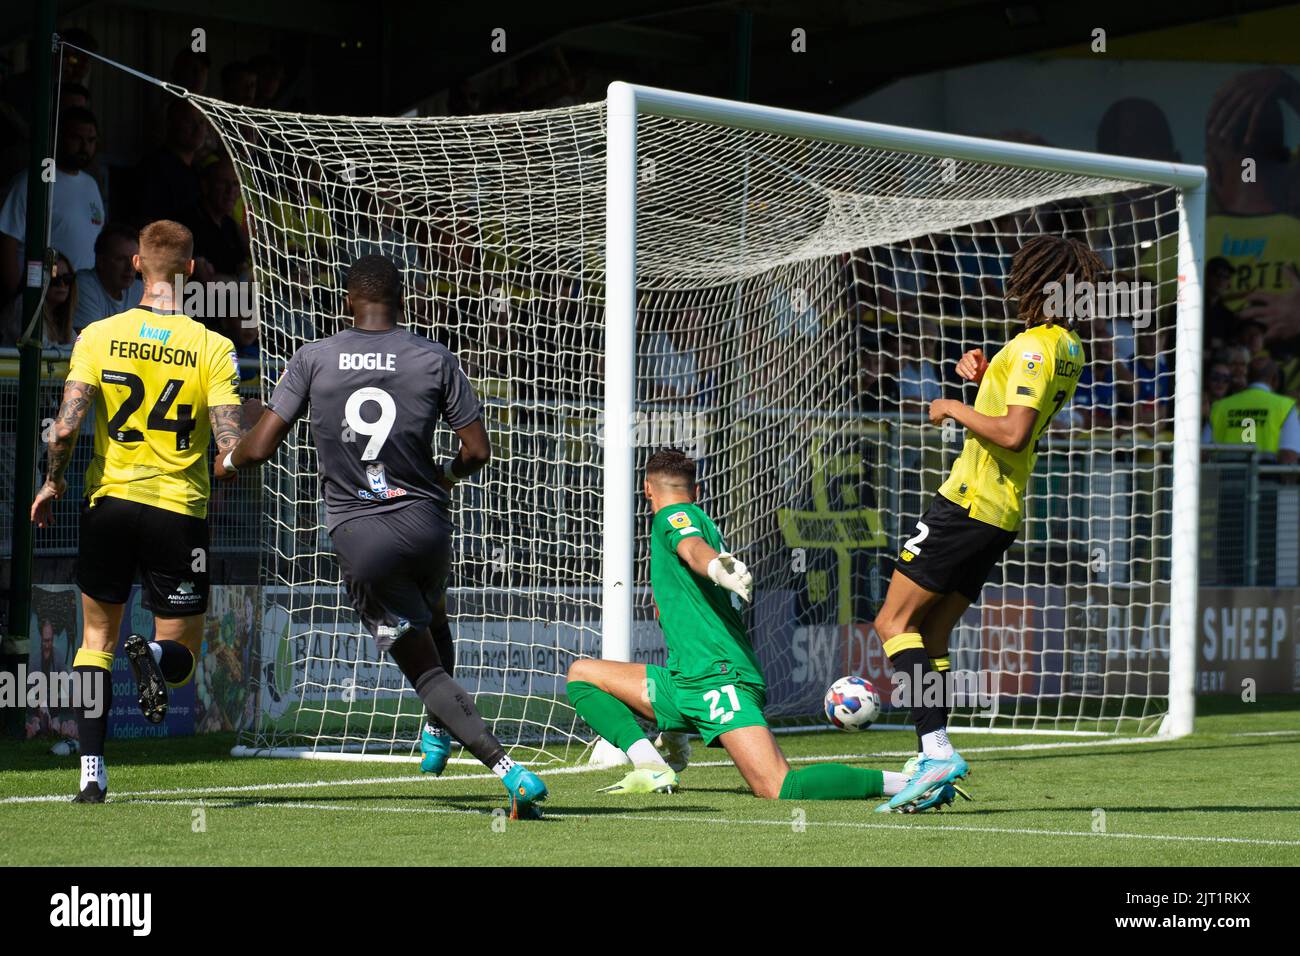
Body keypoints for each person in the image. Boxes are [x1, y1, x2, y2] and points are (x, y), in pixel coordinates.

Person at [219, 255, 549, 819]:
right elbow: (477, 451)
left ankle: (508, 770)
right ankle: (436, 729)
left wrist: (227, 459)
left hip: (362, 534)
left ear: (349, 300)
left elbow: (263, 445)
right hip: (427, 525)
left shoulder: (314, 358)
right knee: (435, 618)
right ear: (404, 302)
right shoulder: (433, 358)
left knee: (422, 668)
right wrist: (443, 476)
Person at [563, 449, 952, 808]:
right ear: (697, 489)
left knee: (780, 787)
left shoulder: (672, 517)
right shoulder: (698, 519)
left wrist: (715, 566)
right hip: (685, 682)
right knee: (583, 676)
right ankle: (650, 762)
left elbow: (693, 548)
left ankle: (912, 782)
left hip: (719, 680)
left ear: (646, 488)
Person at [28, 220, 252, 803]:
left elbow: (67, 426)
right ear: (194, 269)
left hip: (108, 504)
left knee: (93, 641)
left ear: (135, 267)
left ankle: (92, 775)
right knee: (179, 660)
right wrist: (230, 457)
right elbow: (230, 447)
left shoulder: (98, 334)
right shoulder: (213, 347)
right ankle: (150, 653)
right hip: (178, 511)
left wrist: (52, 484)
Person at [869, 234, 1092, 812]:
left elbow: (1014, 432)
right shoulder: (1066, 347)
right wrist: (986, 373)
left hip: (967, 502)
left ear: (1035, 283)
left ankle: (936, 749)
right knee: (933, 635)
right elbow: (1021, 404)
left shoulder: (1033, 349)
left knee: (892, 622)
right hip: (1002, 513)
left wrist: (952, 406)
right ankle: (933, 758)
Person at [0, 106, 104, 303]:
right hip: (40, 299)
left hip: (80, 300)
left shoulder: (91, 184)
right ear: (59, 138)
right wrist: (18, 298)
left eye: (90, 140)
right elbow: (7, 241)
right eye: (76, 138)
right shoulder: (34, 181)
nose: (84, 147)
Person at [1205, 355, 1300, 465]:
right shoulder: (1285, 406)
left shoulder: (1219, 407)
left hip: (1222, 478)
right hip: (1266, 478)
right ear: (1275, 379)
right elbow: (1289, 455)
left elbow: (1202, 452)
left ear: (1248, 378)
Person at [1, 250, 77, 352]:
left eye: (67, 279)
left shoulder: (60, 317)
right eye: (54, 279)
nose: (62, 284)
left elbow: (77, 348)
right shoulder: (26, 303)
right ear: (40, 280)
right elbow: (40, 349)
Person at [73, 223, 142, 332]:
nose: (130, 267)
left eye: (135, 260)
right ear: (101, 261)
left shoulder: (139, 289)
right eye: (121, 259)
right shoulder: (83, 284)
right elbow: (91, 341)